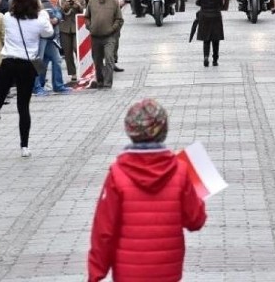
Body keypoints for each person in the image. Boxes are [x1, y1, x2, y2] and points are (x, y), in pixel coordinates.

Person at [87, 98, 207, 282]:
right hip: (168, 271)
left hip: (128, 273)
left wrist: (96, 273)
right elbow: (195, 221)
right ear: (164, 130)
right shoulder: (180, 171)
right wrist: (198, 195)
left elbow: (104, 230)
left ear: (130, 130)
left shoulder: (117, 174)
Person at [0, 0, 53, 160]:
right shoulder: (40, 19)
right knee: (23, 106)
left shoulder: (8, 17)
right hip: (27, 64)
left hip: (7, 62)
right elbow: (49, 33)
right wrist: (43, 12)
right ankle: (24, 146)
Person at [84, 0, 124, 89]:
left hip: (109, 37)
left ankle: (107, 84)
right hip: (95, 36)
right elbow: (86, 17)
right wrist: (89, 26)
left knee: (109, 59)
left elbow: (119, 19)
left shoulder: (114, 1)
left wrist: (112, 29)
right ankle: (100, 81)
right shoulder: (92, 1)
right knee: (97, 61)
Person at [58, 0, 86, 82]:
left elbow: (84, 10)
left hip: (76, 27)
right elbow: (59, 12)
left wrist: (77, 5)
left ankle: (83, 69)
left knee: (76, 48)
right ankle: (73, 73)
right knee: (67, 52)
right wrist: (66, 6)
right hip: (65, 27)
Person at [196, 0, 224, 67]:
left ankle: (206, 57)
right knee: (216, 39)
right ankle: (215, 59)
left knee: (206, 39)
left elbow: (198, 3)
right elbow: (222, 4)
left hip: (204, 16)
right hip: (216, 16)